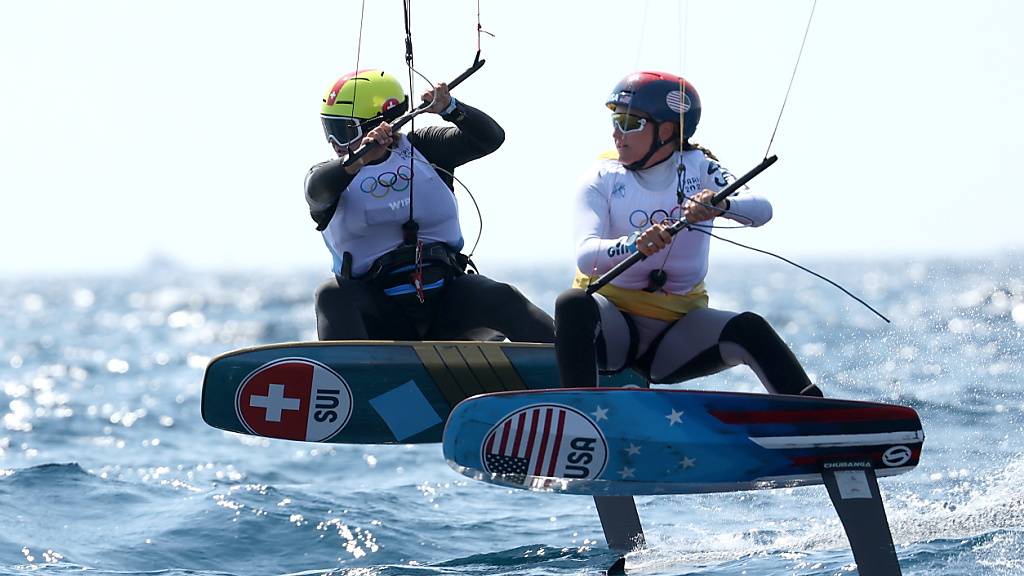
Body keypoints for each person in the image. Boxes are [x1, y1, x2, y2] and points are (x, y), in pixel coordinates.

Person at [555, 71, 822, 397]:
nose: (616, 133)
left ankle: (817, 418)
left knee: (750, 328)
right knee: (573, 302)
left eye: (629, 123)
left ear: (666, 130)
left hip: (675, 335)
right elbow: (586, 256)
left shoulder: (700, 167)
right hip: (611, 327)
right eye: (615, 121)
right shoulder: (601, 176)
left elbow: (761, 210)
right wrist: (634, 243)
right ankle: (576, 412)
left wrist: (718, 204)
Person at [305, 69, 554, 342]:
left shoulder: (425, 147)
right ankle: (349, 377)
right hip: (381, 315)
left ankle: (576, 369)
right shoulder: (330, 175)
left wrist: (450, 108)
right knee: (331, 295)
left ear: (382, 122)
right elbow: (317, 191)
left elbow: (490, 138)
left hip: (447, 300)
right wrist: (360, 159)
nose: (334, 143)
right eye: (329, 130)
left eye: (342, 131)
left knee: (502, 296)